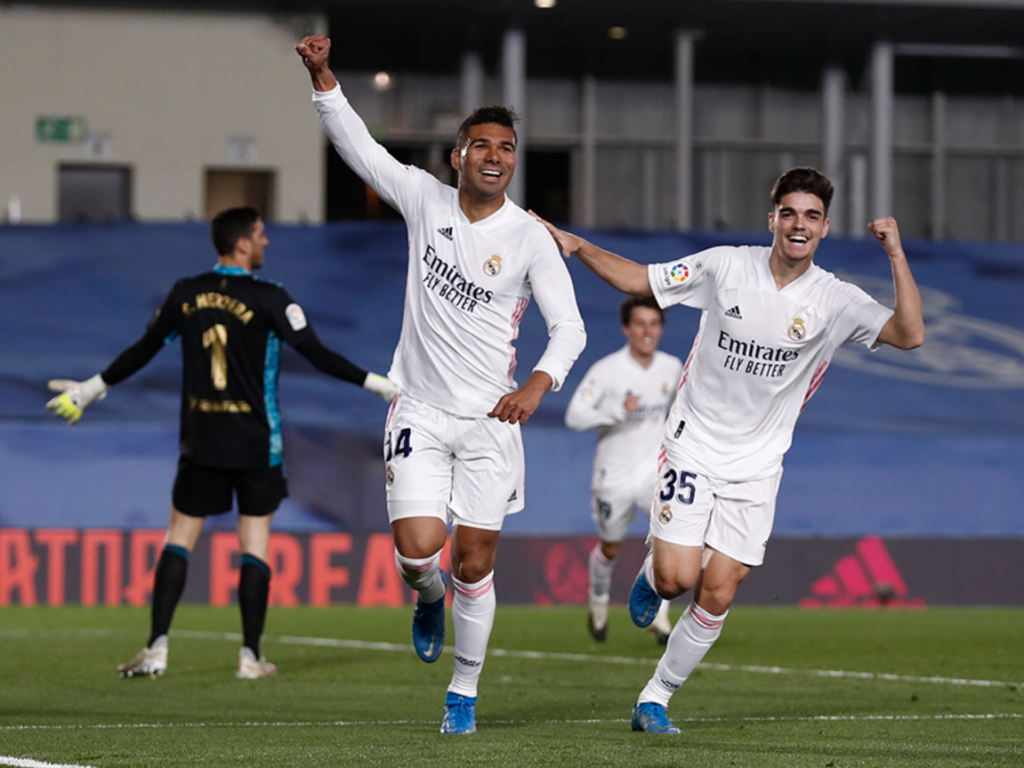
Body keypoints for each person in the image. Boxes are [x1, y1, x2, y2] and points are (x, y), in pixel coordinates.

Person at [534, 167, 924, 734]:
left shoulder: (835, 299)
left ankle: (654, 700)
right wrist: (578, 246)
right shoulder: (725, 267)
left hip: (758, 465)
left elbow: (910, 334)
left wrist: (895, 254)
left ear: (824, 227)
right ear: (772, 219)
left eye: (811, 216)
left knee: (717, 592)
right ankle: (654, 576)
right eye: (789, 213)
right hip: (693, 444)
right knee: (676, 581)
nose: (799, 225)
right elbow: (639, 278)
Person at [296, 36, 586, 734]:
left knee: (475, 562)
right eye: (481, 144)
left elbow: (570, 328)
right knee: (418, 553)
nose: (495, 155)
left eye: (506, 148)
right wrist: (323, 76)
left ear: (514, 161)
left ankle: (463, 693)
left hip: (492, 420)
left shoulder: (530, 238)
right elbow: (358, 147)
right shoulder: (425, 200)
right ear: (457, 156)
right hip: (420, 410)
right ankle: (428, 599)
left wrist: (538, 384)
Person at [46, 206, 400, 680]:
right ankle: (250, 658)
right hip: (257, 442)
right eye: (261, 234)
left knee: (179, 539)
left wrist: (89, 390)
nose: (266, 241)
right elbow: (316, 354)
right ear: (242, 243)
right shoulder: (270, 297)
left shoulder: (186, 293)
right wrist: (380, 385)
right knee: (254, 543)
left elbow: (143, 350)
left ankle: (156, 649)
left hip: (202, 440)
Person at [565, 297, 683, 645]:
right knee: (611, 547)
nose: (647, 331)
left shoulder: (672, 367)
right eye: (640, 323)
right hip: (613, 476)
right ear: (626, 328)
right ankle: (599, 600)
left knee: (670, 540)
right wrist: (617, 409)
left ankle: (659, 616)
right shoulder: (607, 370)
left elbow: (681, 409)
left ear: (661, 329)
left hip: (654, 473)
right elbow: (574, 416)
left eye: (654, 324)